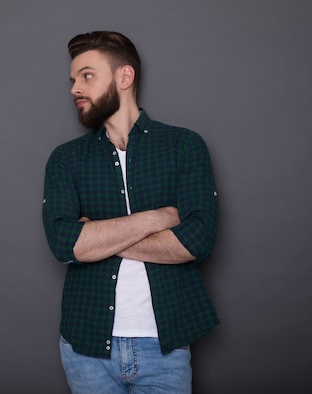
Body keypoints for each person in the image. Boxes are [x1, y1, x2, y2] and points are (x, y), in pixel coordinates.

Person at [42, 31, 220, 393]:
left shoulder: (183, 146)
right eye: (73, 79)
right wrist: (155, 219)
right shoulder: (66, 159)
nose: (75, 88)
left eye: (87, 76)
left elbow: (197, 241)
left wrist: (97, 237)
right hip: (85, 349)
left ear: (124, 77)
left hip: (164, 347)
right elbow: (65, 244)